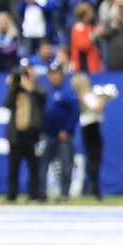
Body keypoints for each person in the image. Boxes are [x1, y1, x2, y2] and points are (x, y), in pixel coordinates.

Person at [3, 65, 44, 202]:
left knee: (34, 167)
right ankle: (11, 196)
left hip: (32, 135)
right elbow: (6, 104)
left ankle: (34, 195)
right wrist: (13, 86)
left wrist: (29, 84)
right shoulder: (16, 91)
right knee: (13, 168)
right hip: (16, 135)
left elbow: (42, 97)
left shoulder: (38, 90)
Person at [75, 74, 116, 200]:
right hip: (90, 127)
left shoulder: (88, 95)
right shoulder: (86, 95)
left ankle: (94, 187)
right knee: (95, 157)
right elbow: (97, 107)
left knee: (95, 158)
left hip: (91, 126)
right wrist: (104, 96)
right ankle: (94, 188)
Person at [42, 64, 79, 203]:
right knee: (43, 164)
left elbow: (75, 113)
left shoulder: (67, 92)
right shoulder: (47, 91)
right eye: (51, 74)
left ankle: (64, 193)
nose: (53, 77)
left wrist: (67, 129)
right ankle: (42, 192)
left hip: (63, 135)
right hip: (48, 134)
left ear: (62, 76)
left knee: (65, 164)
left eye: (56, 74)